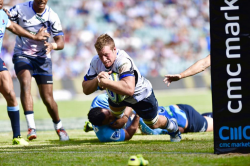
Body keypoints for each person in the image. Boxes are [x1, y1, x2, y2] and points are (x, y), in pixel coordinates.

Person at [82, 34, 181, 142]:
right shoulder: (96, 62)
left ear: (114, 49)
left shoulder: (123, 61)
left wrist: (105, 82)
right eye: (100, 55)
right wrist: (97, 79)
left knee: (153, 124)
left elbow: (129, 90)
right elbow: (85, 89)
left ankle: (173, 127)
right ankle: (115, 126)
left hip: (141, 96)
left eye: (106, 55)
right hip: (117, 97)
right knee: (116, 117)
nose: (104, 59)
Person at [6, 0, 69, 141]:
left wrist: (53, 45)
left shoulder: (52, 16)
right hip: (22, 55)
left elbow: (61, 42)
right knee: (25, 84)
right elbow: (7, 20)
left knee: (47, 98)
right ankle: (31, 127)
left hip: (43, 58)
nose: (42, 0)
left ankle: (59, 127)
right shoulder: (20, 9)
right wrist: (4, 13)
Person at [0, 0, 50, 145]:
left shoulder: (2, 16)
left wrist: (34, 37)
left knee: (10, 93)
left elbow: (13, 27)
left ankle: (17, 136)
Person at [84, 94, 213, 142]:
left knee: (216, 122)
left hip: (184, 117)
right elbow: (128, 134)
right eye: (110, 117)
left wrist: (125, 117)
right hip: (181, 116)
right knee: (211, 118)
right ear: (103, 124)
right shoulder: (105, 135)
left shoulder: (100, 101)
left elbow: (128, 97)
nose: (113, 113)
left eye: (109, 111)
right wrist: (136, 116)